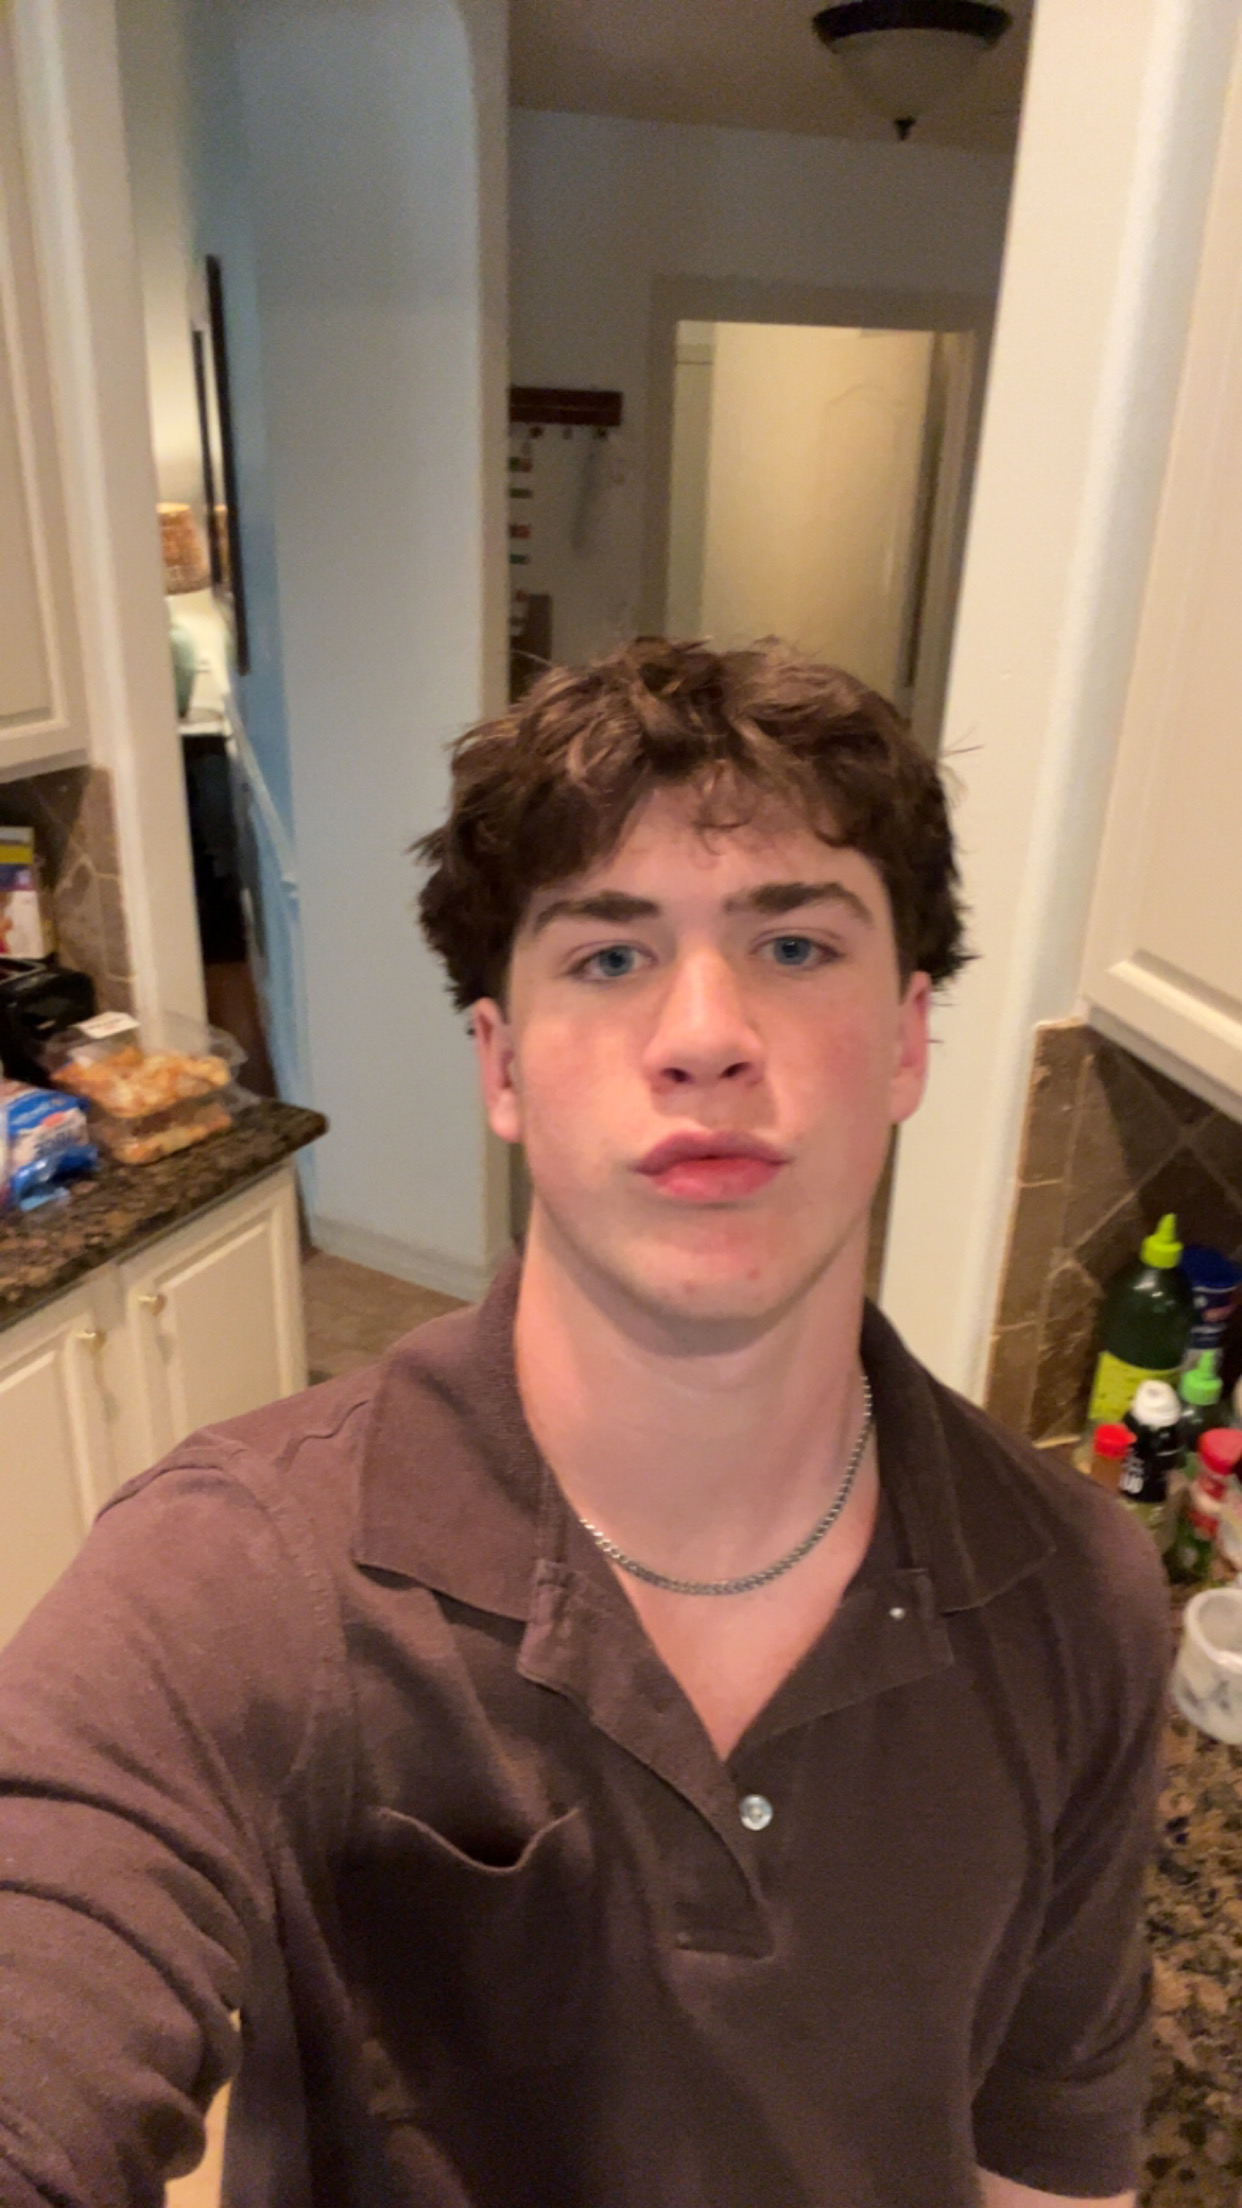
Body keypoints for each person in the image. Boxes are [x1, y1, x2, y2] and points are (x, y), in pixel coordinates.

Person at [0, 640, 1168, 2208]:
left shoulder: (1075, 1591)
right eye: (609, 957)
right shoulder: (236, 1578)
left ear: (905, 1040)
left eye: (795, 945)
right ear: (501, 1066)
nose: (704, 1033)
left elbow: (1041, 2159)